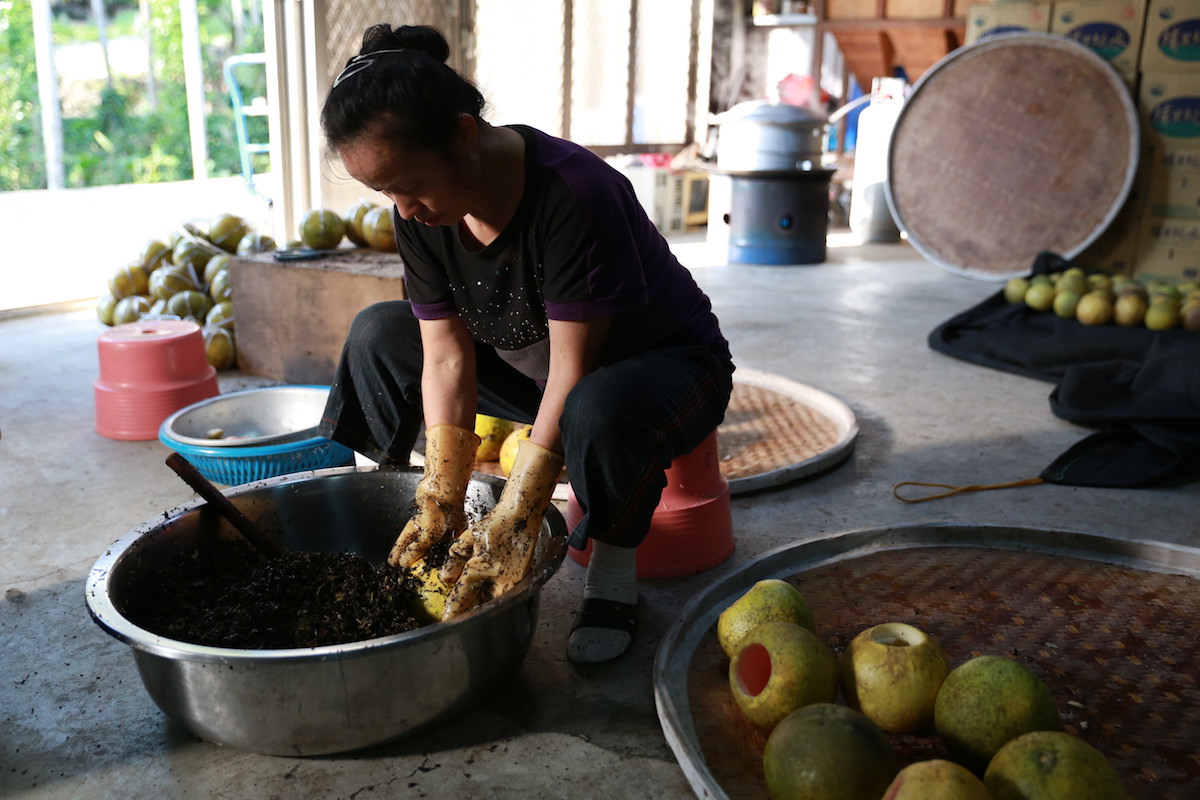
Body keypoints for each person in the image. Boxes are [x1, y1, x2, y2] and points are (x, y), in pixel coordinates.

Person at [317, 23, 734, 664]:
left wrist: (518, 509)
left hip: (660, 371)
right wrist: (442, 496)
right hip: (539, 368)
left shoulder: (573, 192)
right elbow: (446, 356)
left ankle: (613, 578)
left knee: (595, 404)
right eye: (384, 193)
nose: (402, 209)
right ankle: (407, 520)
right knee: (379, 332)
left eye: (408, 185)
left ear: (462, 135)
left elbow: (574, 370)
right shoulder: (423, 213)